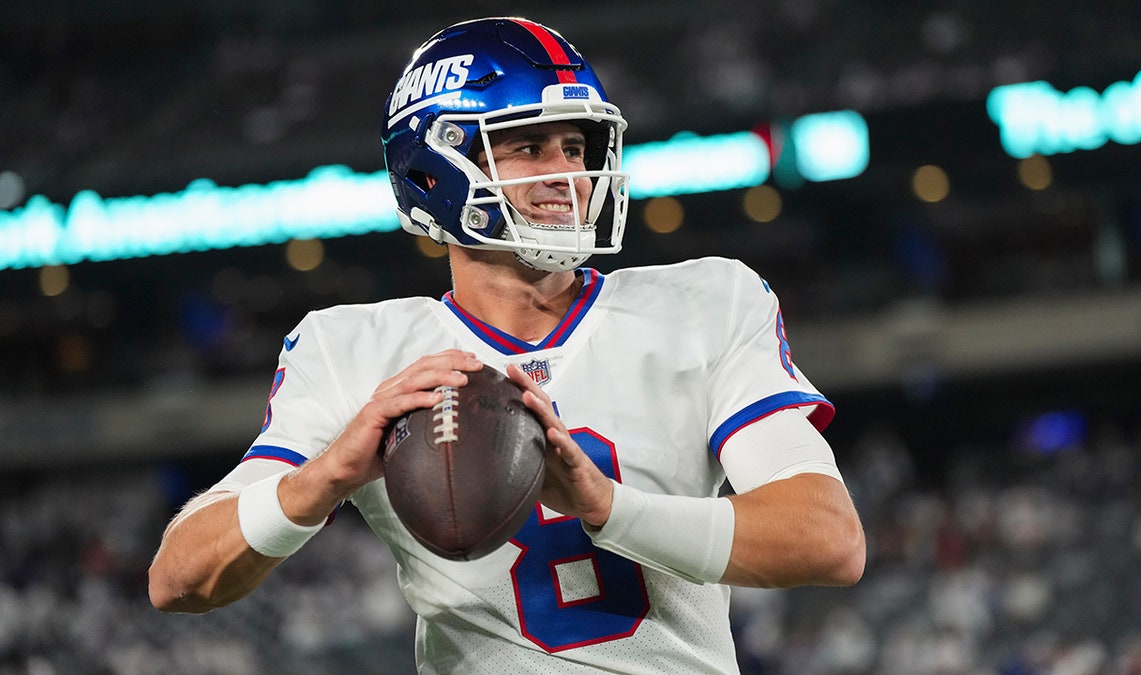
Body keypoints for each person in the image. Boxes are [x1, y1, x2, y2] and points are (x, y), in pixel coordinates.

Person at [148, 16, 865, 674]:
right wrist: (328, 473)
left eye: (576, 146)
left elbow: (829, 538)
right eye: (527, 146)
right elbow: (178, 576)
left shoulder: (706, 301)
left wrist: (608, 507)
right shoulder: (349, 350)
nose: (568, 174)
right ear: (434, 170)